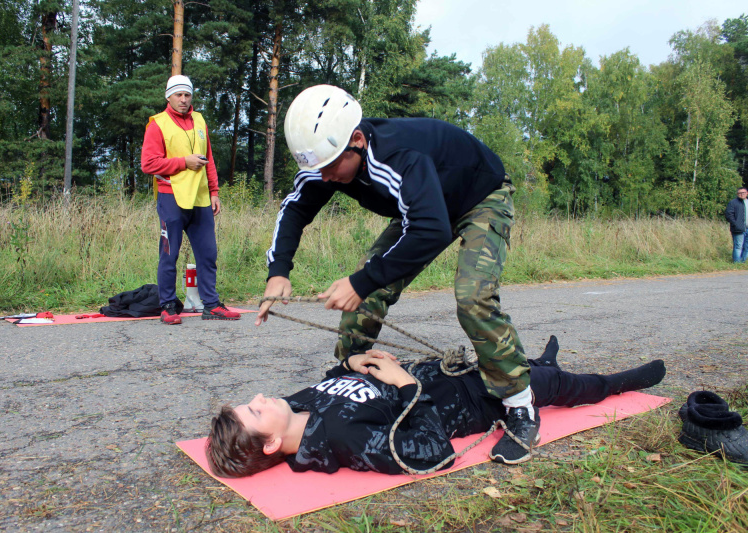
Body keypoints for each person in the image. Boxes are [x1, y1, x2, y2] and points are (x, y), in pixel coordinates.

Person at [256, 84, 536, 463]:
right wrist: (278, 272)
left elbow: (431, 230)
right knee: (366, 288)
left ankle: (520, 404)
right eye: (316, 169)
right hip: (423, 209)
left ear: (356, 140)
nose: (324, 178)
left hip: (479, 197)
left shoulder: (397, 155)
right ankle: (351, 373)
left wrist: (363, 281)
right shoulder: (329, 161)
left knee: (472, 297)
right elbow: (294, 209)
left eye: (331, 167)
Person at [205, 337, 667, 477]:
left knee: (520, 358)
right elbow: (429, 452)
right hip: (477, 398)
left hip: (449, 371)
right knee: (561, 385)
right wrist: (407, 386)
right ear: (269, 445)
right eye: (255, 411)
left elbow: (330, 381)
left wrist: (351, 362)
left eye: (251, 401)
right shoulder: (341, 440)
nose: (261, 398)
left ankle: (541, 362)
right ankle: (621, 382)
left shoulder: (298, 408)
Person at [141, 75, 240, 324]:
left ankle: (211, 305)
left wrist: (215, 192)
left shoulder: (199, 119)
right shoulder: (158, 124)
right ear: (168, 96)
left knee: (208, 254)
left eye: (187, 95)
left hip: (201, 198)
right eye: (178, 95)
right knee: (169, 254)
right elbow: (148, 164)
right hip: (171, 197)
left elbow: (208, 158)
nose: (183, 100)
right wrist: (184, 162)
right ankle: (167, 307)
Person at [725, 187, 748, 263]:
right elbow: (729, 215)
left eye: (743, 193)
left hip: (747, 228)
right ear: (737, 194)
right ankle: (737, 262)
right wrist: (736, 224)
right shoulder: (733, 203)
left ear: (746, 193)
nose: (742, 194)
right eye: (740, 193)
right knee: (738, 246)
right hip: (738, 228)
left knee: (746, 246)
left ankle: (743, 261)